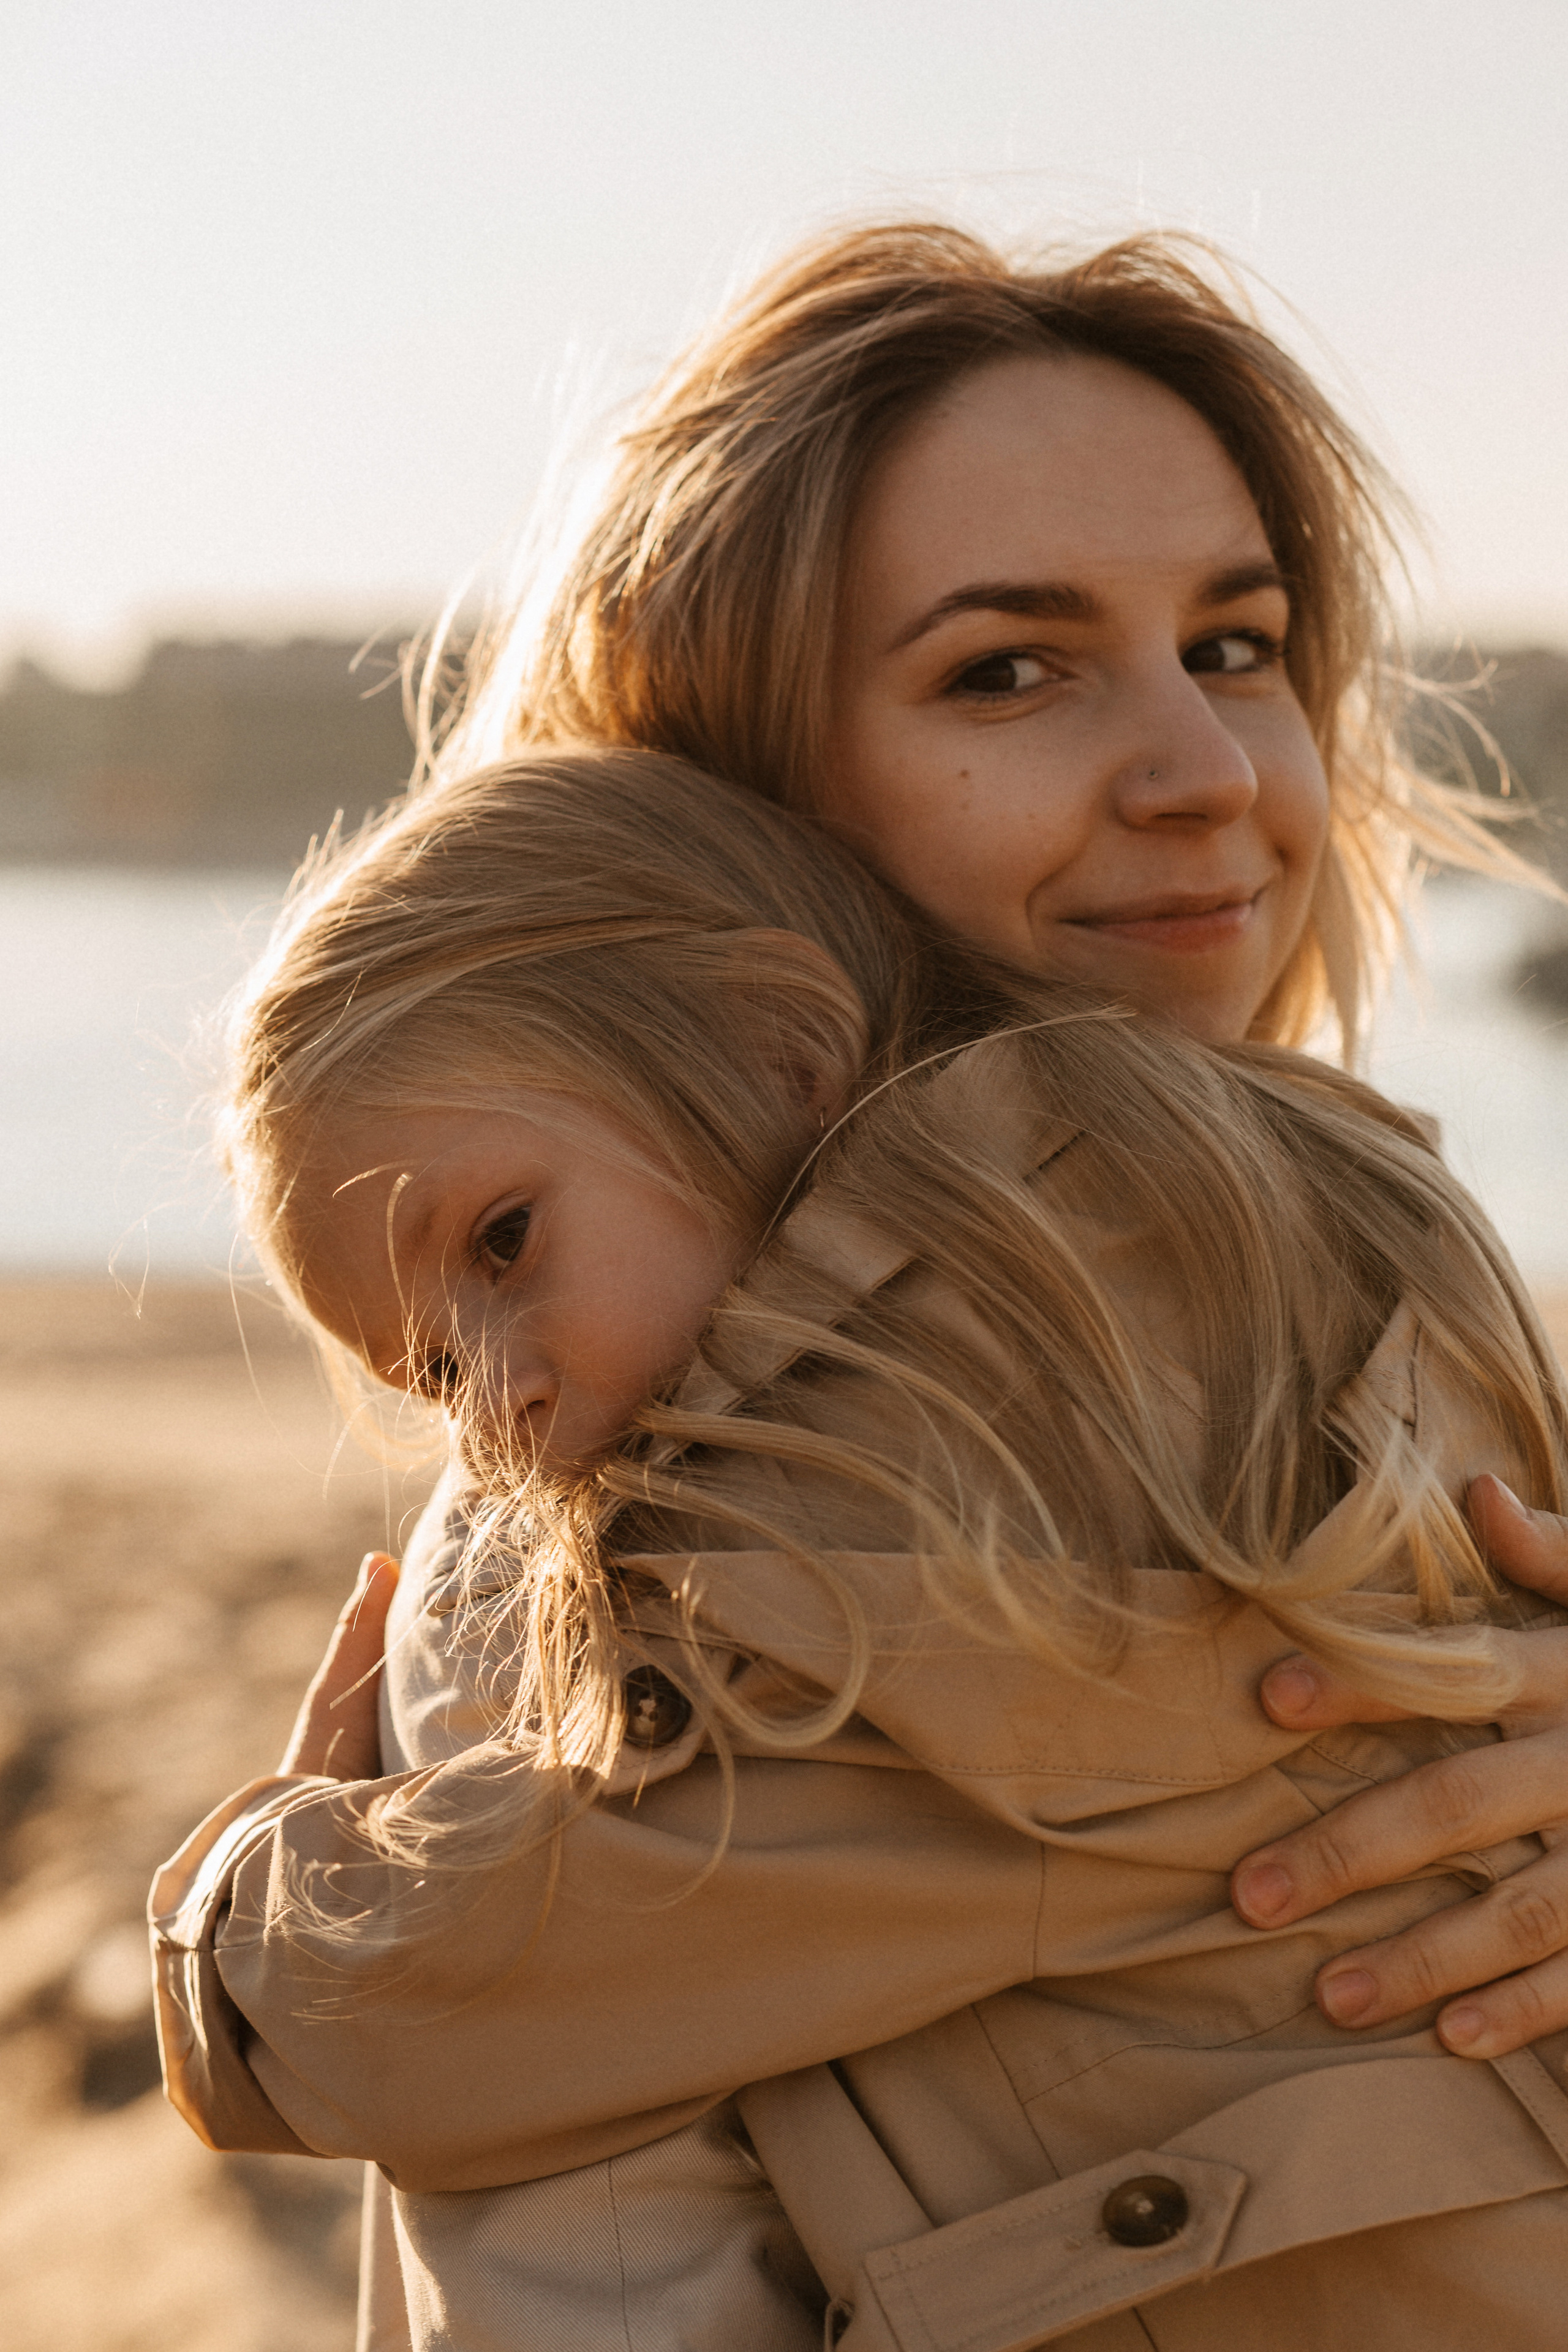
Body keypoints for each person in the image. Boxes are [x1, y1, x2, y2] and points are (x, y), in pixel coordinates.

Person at [150, 218, 1568, 2337]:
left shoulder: (1392, 1269)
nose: (1203, 775)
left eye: (1240, 644)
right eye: (1008, 666)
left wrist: (242, 1956)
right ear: (734, 788)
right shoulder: (597, 1548)